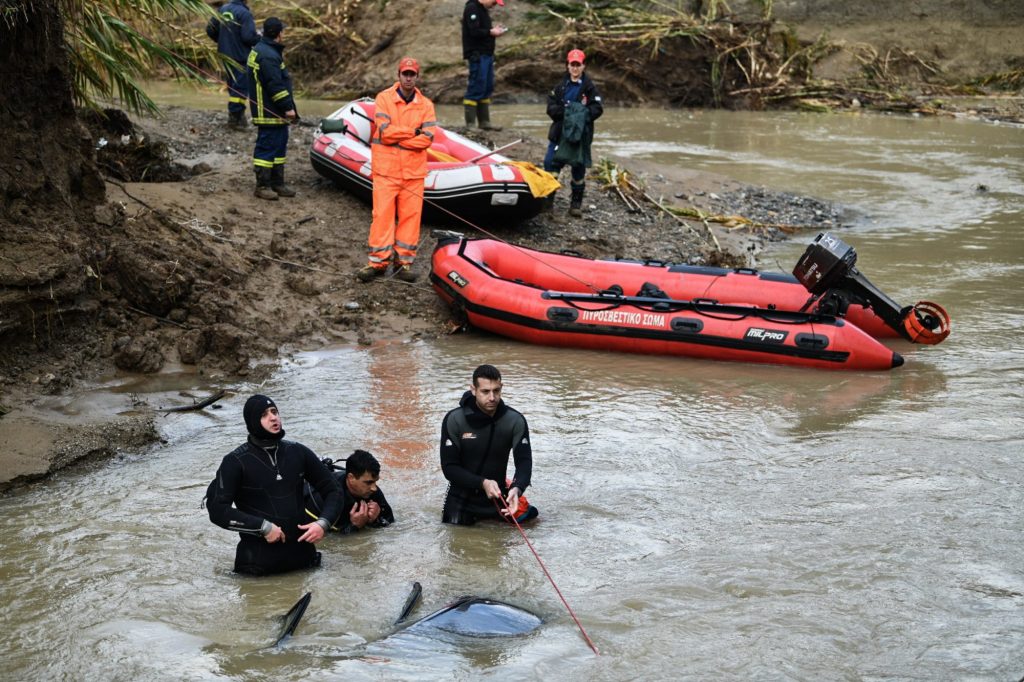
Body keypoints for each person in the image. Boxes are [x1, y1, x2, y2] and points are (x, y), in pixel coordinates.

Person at [206, 394, 342, 576]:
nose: (273, 417)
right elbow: (217, 510)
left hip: (304, 563)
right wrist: (262, 527)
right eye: (264, 415)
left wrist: (323, 523)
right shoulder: (235, 461)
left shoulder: (298, 452)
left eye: (274, 411)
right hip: (256, 570)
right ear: (253, 421)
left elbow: (334, 490)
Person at [357, 57, 436, 284]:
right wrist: (413, 132)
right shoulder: (384, 98)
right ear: (399, 75)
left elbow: (428, 138)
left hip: (413, 174)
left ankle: (404, 263)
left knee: (411, 218)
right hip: (386, 171)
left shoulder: (426, 105)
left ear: (417, 77)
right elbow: (384, 132)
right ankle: (377, 262)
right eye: (405, 74)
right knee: (381, 216)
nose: (408, 78)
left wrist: (399, 138)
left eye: (412, 74)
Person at [440, 364, 538, 525]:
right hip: (461, 501)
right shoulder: (454, 420)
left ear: (501, 388)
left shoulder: (514, 420)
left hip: (498, 497)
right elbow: (449, 468)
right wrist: (483, 483)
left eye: (496, 391)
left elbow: (524, 462)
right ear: (473, 389)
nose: (492, 397)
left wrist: (517, 488)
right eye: (485, 391)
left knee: (535, 525)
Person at [543, 48, 603, 218]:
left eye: (578, 65)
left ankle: (575, 205)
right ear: (567, 66)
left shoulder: (590, 88)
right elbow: (551, 108)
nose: (575, 68)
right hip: (559, 135)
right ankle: (548, 204)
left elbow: (597, 109)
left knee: (578, 169)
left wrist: (579, 115)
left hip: (580, 137)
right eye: (572, 65)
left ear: (584, 66)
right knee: (550, 165)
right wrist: (568, 113)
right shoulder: (559, 87)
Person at [246, 17, 297, 201]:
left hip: (273, 111)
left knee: (279, 146)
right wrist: (288, 108)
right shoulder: (267, 55)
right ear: (278, 34)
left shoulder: (266, 50)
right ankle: (263, 186)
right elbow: (275, 85)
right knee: (267, 147)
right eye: (282, 31)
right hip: (269, 111)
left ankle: (277, 183)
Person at [305, 449, 395, 533]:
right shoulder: (323, 497)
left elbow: (391, 524)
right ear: (351, 478)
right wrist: (355, 526)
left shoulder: (372, 491)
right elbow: (325, 541)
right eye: (369, 482)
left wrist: (376, 519)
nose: (374, 488)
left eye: (375, 481)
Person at [205, 0, 259, 128]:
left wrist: (222, 41)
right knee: (240, 87)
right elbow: (248, 37)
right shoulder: (244, 13)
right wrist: (261, 39)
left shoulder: (223, 9)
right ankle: (235, 116)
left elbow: (210, 30)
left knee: (233, 84)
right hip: (240, 56)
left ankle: (237, 115)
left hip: (224, 54)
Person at [461, 0, 507, 130]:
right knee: (476, 85)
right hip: (477, 54)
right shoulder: (472, 8)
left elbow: (484, 30)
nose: (494, 5)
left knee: (487, 86)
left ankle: (484, 122)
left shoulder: (483, 10)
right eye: (494, 2)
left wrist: (493, 30)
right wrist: (491, 32)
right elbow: (474, 31)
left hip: (487, 54)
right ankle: (470, 124)